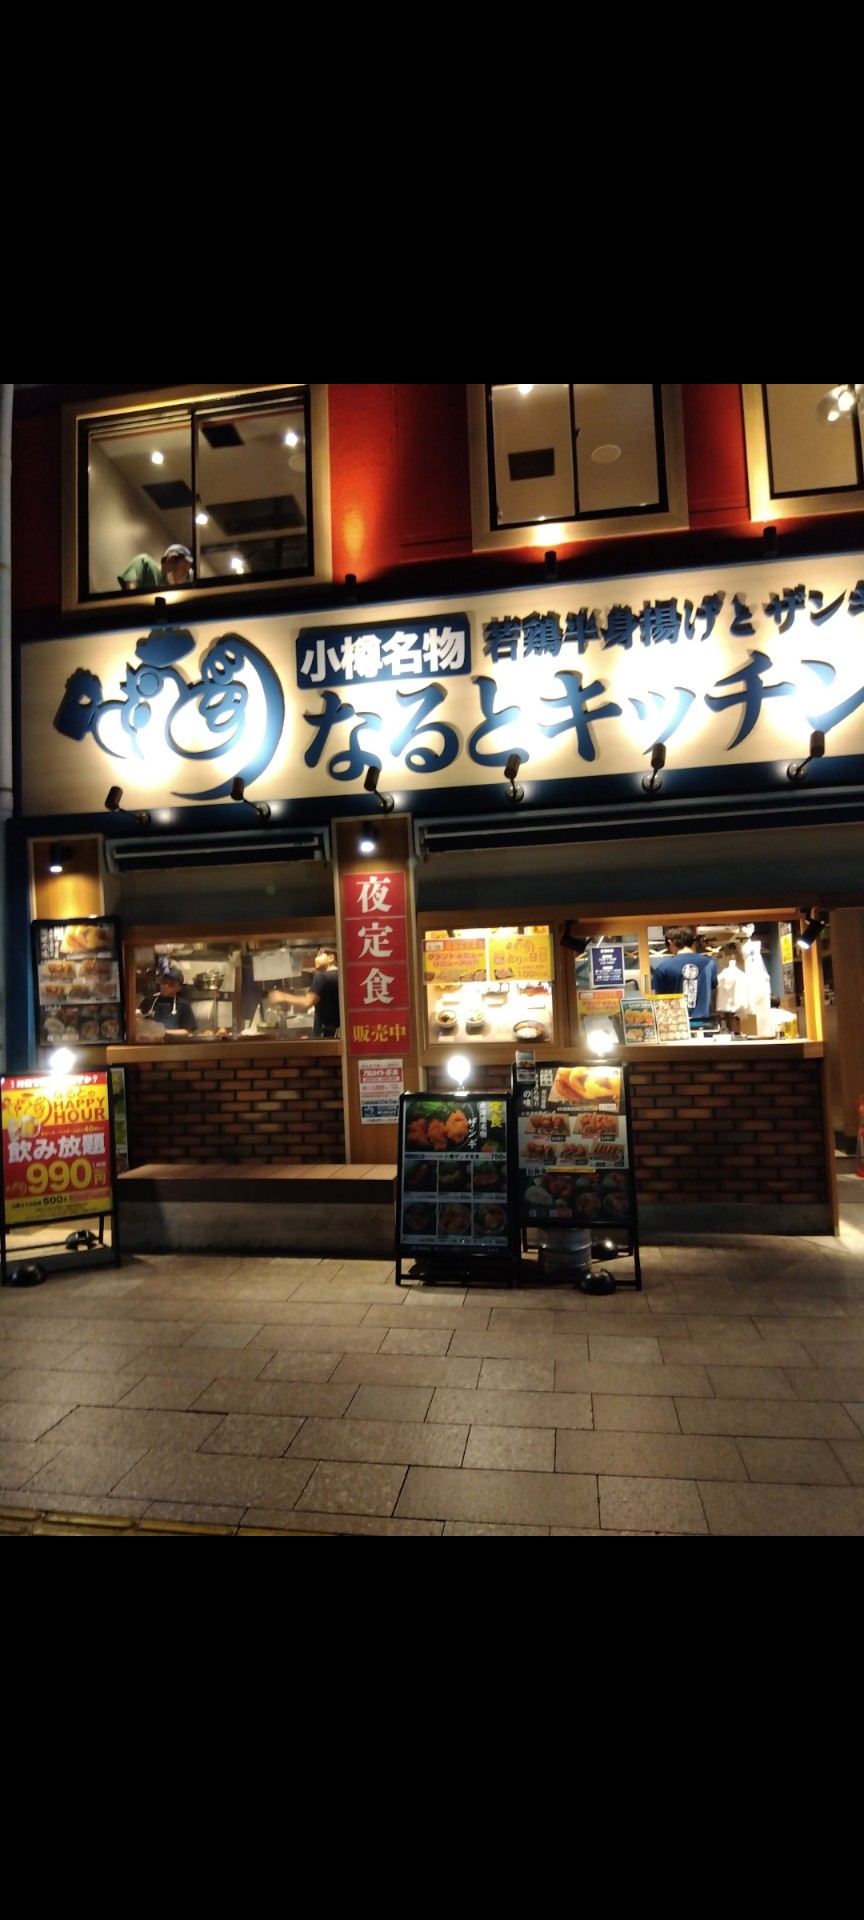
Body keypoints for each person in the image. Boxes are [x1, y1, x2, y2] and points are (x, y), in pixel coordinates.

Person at [264, 947, 340, 1037]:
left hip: (326, 1031)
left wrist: (282, 996)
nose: (315, 959)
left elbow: (307, 1002)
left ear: (331, 958)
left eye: (319, 955)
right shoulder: (341, 975)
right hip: (339, 1029)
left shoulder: (322, 977)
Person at [651, 925, 718, 1022]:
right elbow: (713, 991)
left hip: (677, 1023)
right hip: (704, 1023)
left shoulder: (664, 968)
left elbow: (661, 1000)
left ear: (670, 942)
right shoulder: (709, 963)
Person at [138, 963, 198, 1035]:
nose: (166, 986)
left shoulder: (184, 1005)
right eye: (164, 982)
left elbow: (188, 1031)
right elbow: (138, 1023)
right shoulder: (148, 1001)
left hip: (173, 1041)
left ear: (179, 988)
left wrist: (163, 1032)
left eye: (171, 984)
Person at [118, 543, 194, 593]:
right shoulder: (145, 562)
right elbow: (131, 592)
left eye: (187, 573)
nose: (184, 577)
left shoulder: (169, 592)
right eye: (184, 568)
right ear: (170, 561)